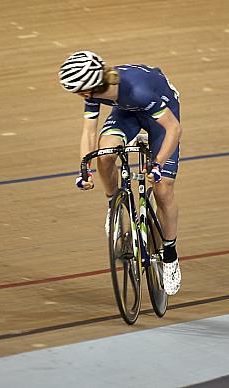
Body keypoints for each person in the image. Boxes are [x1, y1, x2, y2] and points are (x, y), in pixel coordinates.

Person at [58, 50, 183, 295]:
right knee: (105, 156)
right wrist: (86, 168)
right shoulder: (96, 89)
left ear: (85, 90)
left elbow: (174, 129)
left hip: (161, 113)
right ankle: (113, 204)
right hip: (127, 111)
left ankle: (170, 255)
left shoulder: (138, 91)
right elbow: (89, 132)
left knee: (163, 189)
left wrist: (157, 163)